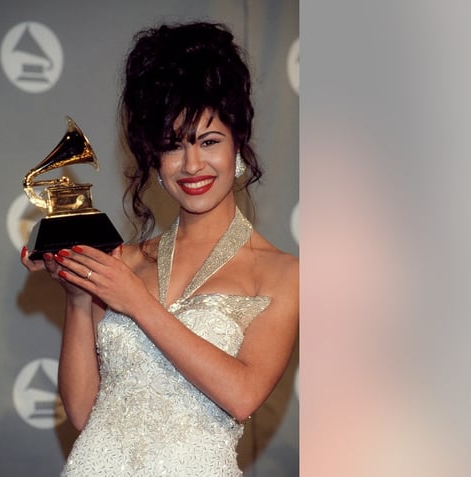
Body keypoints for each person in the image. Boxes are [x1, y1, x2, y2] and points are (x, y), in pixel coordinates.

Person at [21, 21, 298, 477]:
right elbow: (85, 415)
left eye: (209, 142)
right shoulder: (125, 262)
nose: (192, 165)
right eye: (172, 147)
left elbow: (243, 394)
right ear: (154, 159)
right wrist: (78, 298)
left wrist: (136, 302)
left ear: (238, 147)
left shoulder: (282, 274)